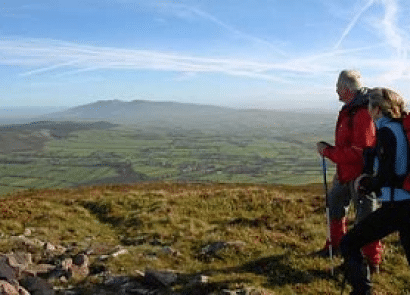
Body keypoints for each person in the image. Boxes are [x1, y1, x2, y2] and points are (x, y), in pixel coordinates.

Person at [340, 87, 410, 295]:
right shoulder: (399, 128)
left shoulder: (387, 132)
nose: (367, 110)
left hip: (397, 206)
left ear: (377, 109)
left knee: (349, 243)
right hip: (406, 204)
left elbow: (388, 175)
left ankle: (363, 291)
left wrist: (366, 184)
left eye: (369, 106)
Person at [316, 70, 383, 272]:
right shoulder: (350, 109)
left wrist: (327, 152)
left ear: (346, 89)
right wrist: (340, 168)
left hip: (363, 177)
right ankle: (336, 245)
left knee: (366, 220)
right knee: (334, 202)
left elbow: (358, 154)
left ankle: (372, 262)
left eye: (338, 87)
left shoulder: (362, 112)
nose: (336, 90)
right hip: (346, 173)